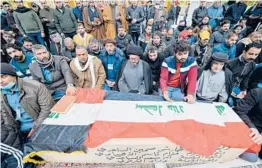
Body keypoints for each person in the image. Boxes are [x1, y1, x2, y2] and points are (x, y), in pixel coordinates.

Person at [0, 63, 54, 138]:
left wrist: (35, 128)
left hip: (40, 123)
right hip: (21, 127)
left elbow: (47, 108)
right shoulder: (2, 93)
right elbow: (6, 114)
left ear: (13, 75)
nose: (0, 81)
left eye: (3, 77)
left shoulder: (35, 86)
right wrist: (13, 132)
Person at [234, 88, 262, 161]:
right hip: (251, 127)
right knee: (251, 157)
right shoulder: (257, 93)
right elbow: (239, 111)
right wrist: (251, 127)